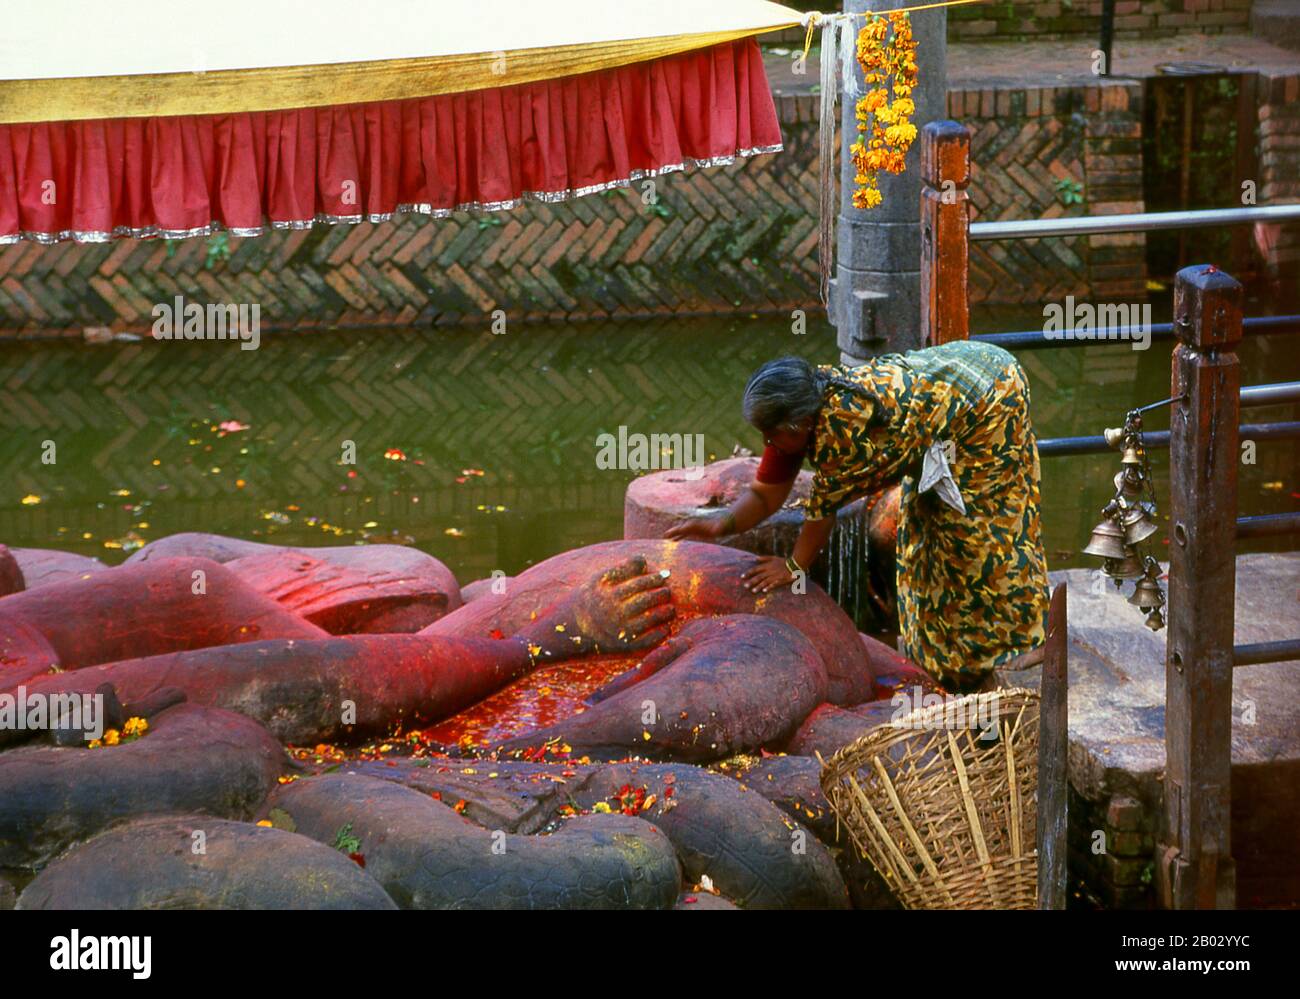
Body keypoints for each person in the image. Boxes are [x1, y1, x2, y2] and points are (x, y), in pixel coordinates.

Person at [666, 340, 1051, 694]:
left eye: (771, 435)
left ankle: (1025, 641)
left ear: (798, 425)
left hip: (987, 398)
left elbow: (820, 516)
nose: (766, 444)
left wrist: (794, 567)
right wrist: (721, 523)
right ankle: (947, 666)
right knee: (924, 533)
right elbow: (765, 494)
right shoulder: (799, 410)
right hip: (943, 410)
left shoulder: (841, 434)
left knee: (983, 531)